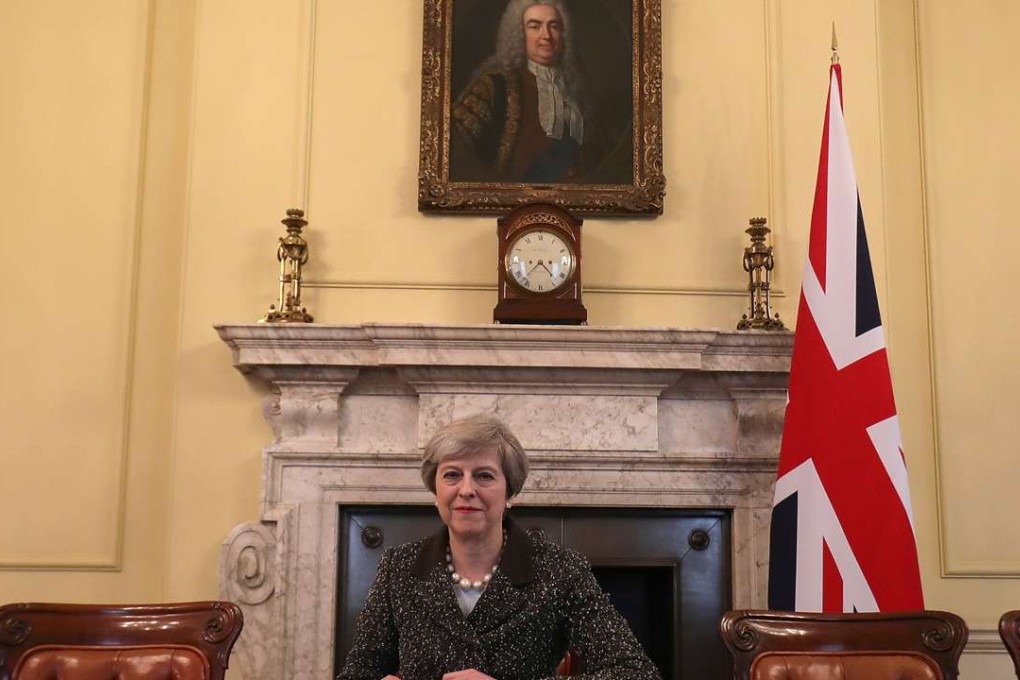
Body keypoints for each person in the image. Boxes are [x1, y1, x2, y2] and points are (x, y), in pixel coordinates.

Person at [336, 414, 661, 680]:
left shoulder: (560, 570)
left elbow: (636, 672)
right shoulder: (400, 567)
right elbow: (359, 671)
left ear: (509, 492)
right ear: (435, 489)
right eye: (452, 475)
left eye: (484, 476)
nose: (466, 490)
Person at [450, 0, 613, 184]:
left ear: (564, 34)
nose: (547, 36)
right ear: (519, 34)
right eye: (535, 26)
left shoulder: (580, 94)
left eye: (554, 26)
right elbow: (455, 149)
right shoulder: (492, 87)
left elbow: (600, 160)